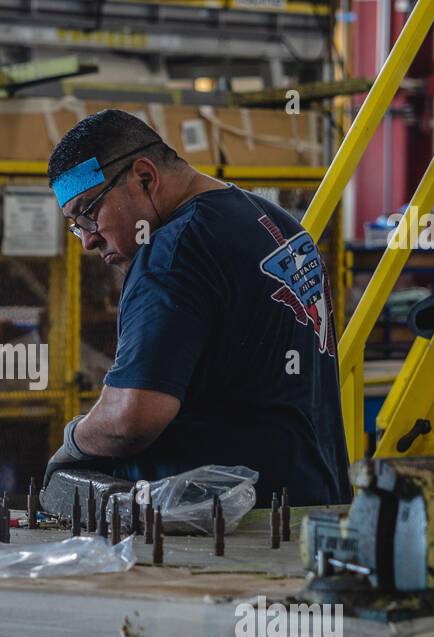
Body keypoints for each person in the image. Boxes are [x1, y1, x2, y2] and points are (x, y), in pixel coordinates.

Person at [44, 109, 350, 508]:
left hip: (227, 533)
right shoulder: (273, 221)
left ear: (144, 177)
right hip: (310, 507)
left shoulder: (171, 253)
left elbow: (129, 420)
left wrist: (72, 443)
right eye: (75, 226)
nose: (87, 240)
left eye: (89, 213)